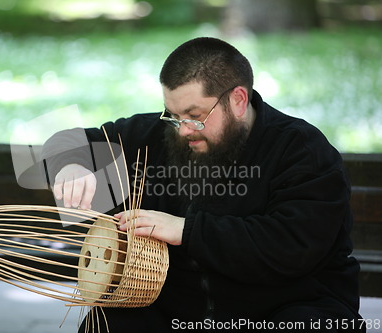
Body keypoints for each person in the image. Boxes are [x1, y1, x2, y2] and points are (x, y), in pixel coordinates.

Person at [41, 37, 364, 332]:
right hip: (178, 310)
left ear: (238, 100)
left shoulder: (301, 150)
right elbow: (67, 141)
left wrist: (186, 231)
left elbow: (291, 247)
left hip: (288, 306)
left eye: (194, 116)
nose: (182, 131)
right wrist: (71, 164)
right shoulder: (157, 134)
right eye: (172, 114)